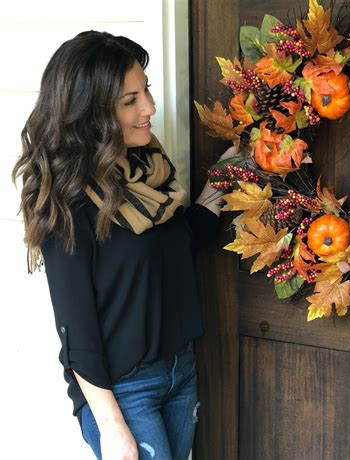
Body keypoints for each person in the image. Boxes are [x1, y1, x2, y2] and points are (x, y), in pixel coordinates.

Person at [12, 30, 236, 460]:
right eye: (130, 100)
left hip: (180, 370)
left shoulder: (147, 169)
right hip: (122, 390)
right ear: (91, 112)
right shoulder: (69, 197)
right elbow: (75, 326)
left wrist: (224, 182)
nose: (149, 108)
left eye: (146, 90)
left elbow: (181, 243)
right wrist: (111, 427)